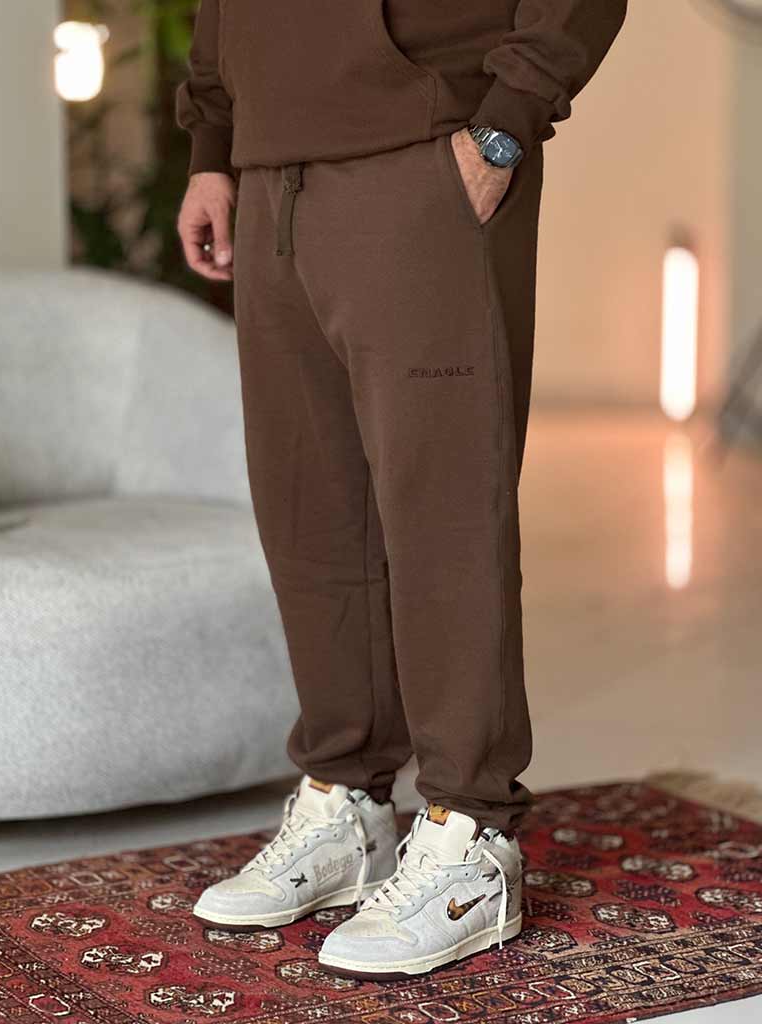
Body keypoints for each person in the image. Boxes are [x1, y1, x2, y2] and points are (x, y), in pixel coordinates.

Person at [176, 0, 627, 979]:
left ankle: (472, 839)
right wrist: (214, 145)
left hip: (427, 150)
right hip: (271, 166)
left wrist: (504, 125)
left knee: (444, 513)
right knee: (310, 515)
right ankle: (348, 802)